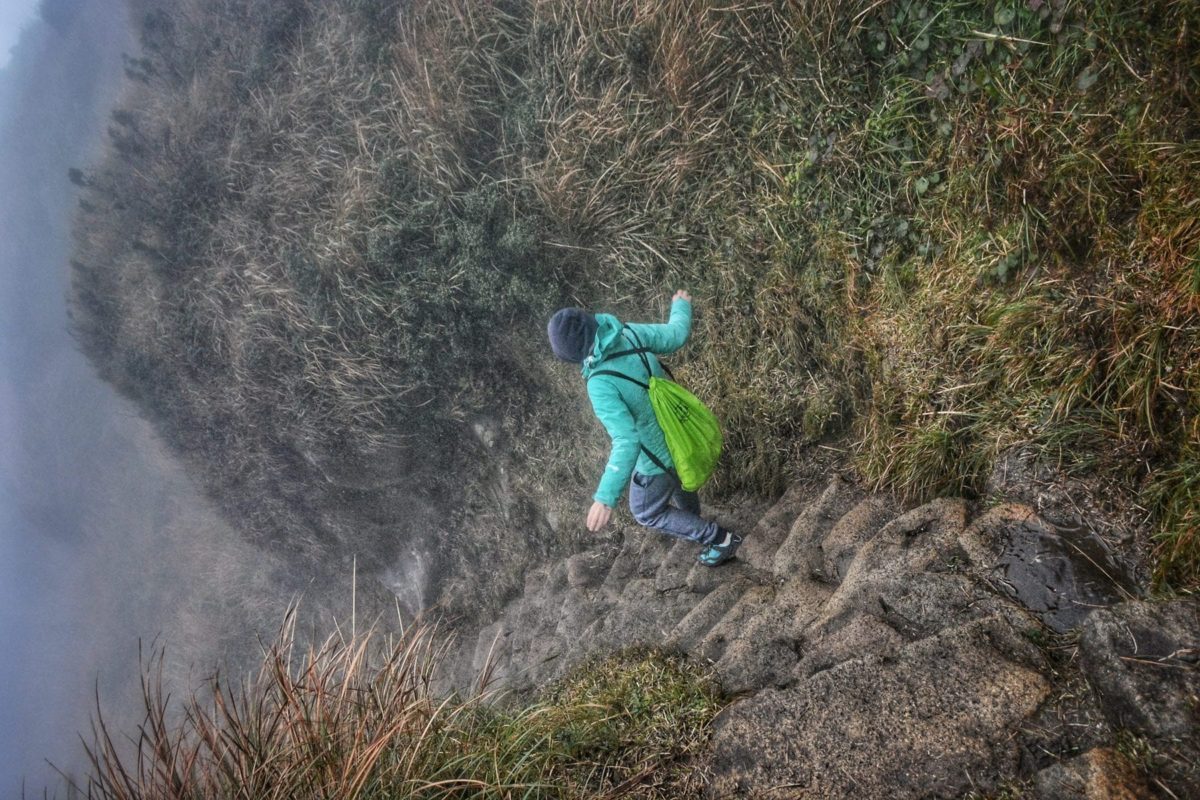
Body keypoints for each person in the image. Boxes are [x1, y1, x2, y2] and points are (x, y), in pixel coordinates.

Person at [547, 290, 742, 567]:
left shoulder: (599, 383)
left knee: (645, 510)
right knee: (677, 478)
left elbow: (627, 440)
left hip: (656, 457)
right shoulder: (627, 333)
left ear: (570, 356)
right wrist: (681, 307)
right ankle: (696, 521)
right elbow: (675, 335)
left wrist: (604, 498)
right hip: (680, 433)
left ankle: (719, 539)